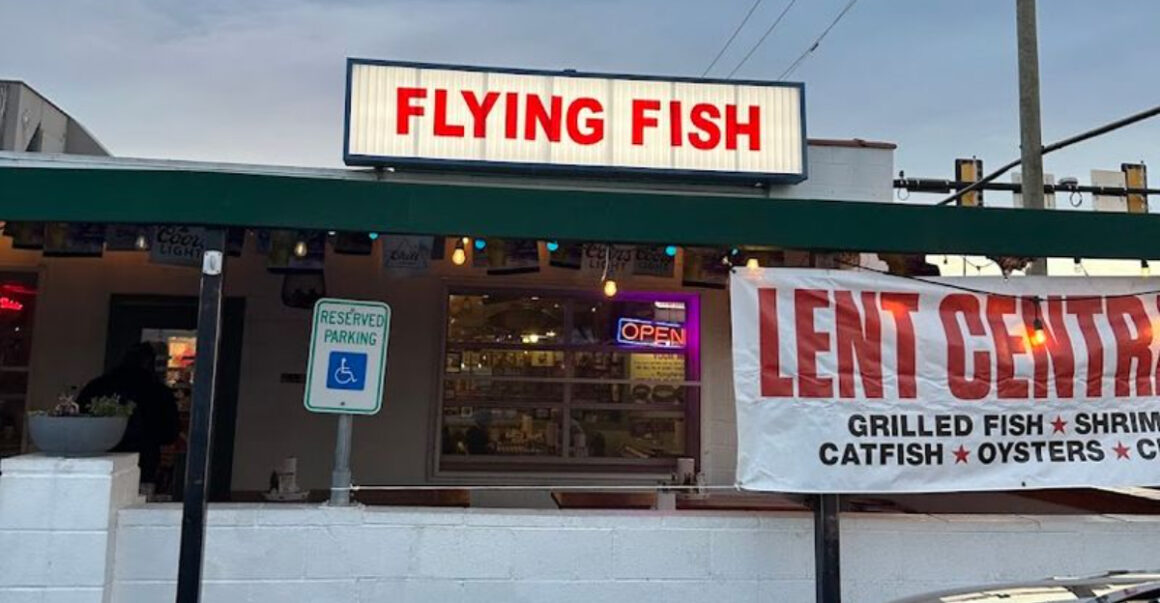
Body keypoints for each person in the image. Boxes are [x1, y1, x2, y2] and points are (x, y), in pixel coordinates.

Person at [77, 343, 180, 485]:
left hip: (100, 457)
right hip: (143, 459)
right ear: (150, 363)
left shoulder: (97, 386)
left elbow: (79, 419)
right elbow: (169, 433)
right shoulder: (158, 392)